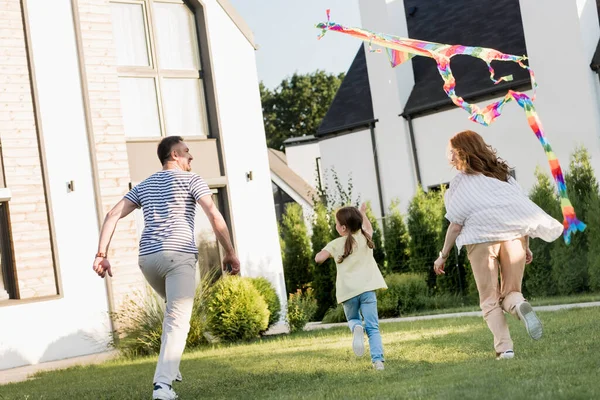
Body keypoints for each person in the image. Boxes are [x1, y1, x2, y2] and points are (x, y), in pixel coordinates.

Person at [92, 136, 240, 400]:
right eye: (186, 152)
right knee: (177, 320)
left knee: (174, 313)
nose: (191, 157)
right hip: (178, 255)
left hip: (148, 260)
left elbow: (112, 214)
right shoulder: (192, 180)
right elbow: (214, 216)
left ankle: (170, 367)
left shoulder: (145, 184)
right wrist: (229, 251)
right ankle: (162, 386)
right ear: (173, 155)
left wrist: (101, 254)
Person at [434, 130, 563, 360]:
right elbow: (519, 210)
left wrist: (443, 255)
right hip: (514, 239)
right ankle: (521, 307)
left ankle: (505, 349)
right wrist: (526, 245)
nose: (449, 157)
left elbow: (455, 225)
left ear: (463, 152)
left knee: (490, 300)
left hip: (481, 242)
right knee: (512, 293)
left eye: (452, 152)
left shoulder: (461, 183)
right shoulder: (503, 176)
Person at [315, 204, 388, 370]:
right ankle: (378, 362)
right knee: (373, 327)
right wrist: (363, 213)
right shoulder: (365, 238)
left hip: (348, 293)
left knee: (354, 319)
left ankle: (356, 327)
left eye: (336, 223)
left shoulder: (335, 244)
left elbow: (319, 259)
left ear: (342, 228)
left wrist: (323, 252)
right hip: (368, 290)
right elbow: (368, 226)